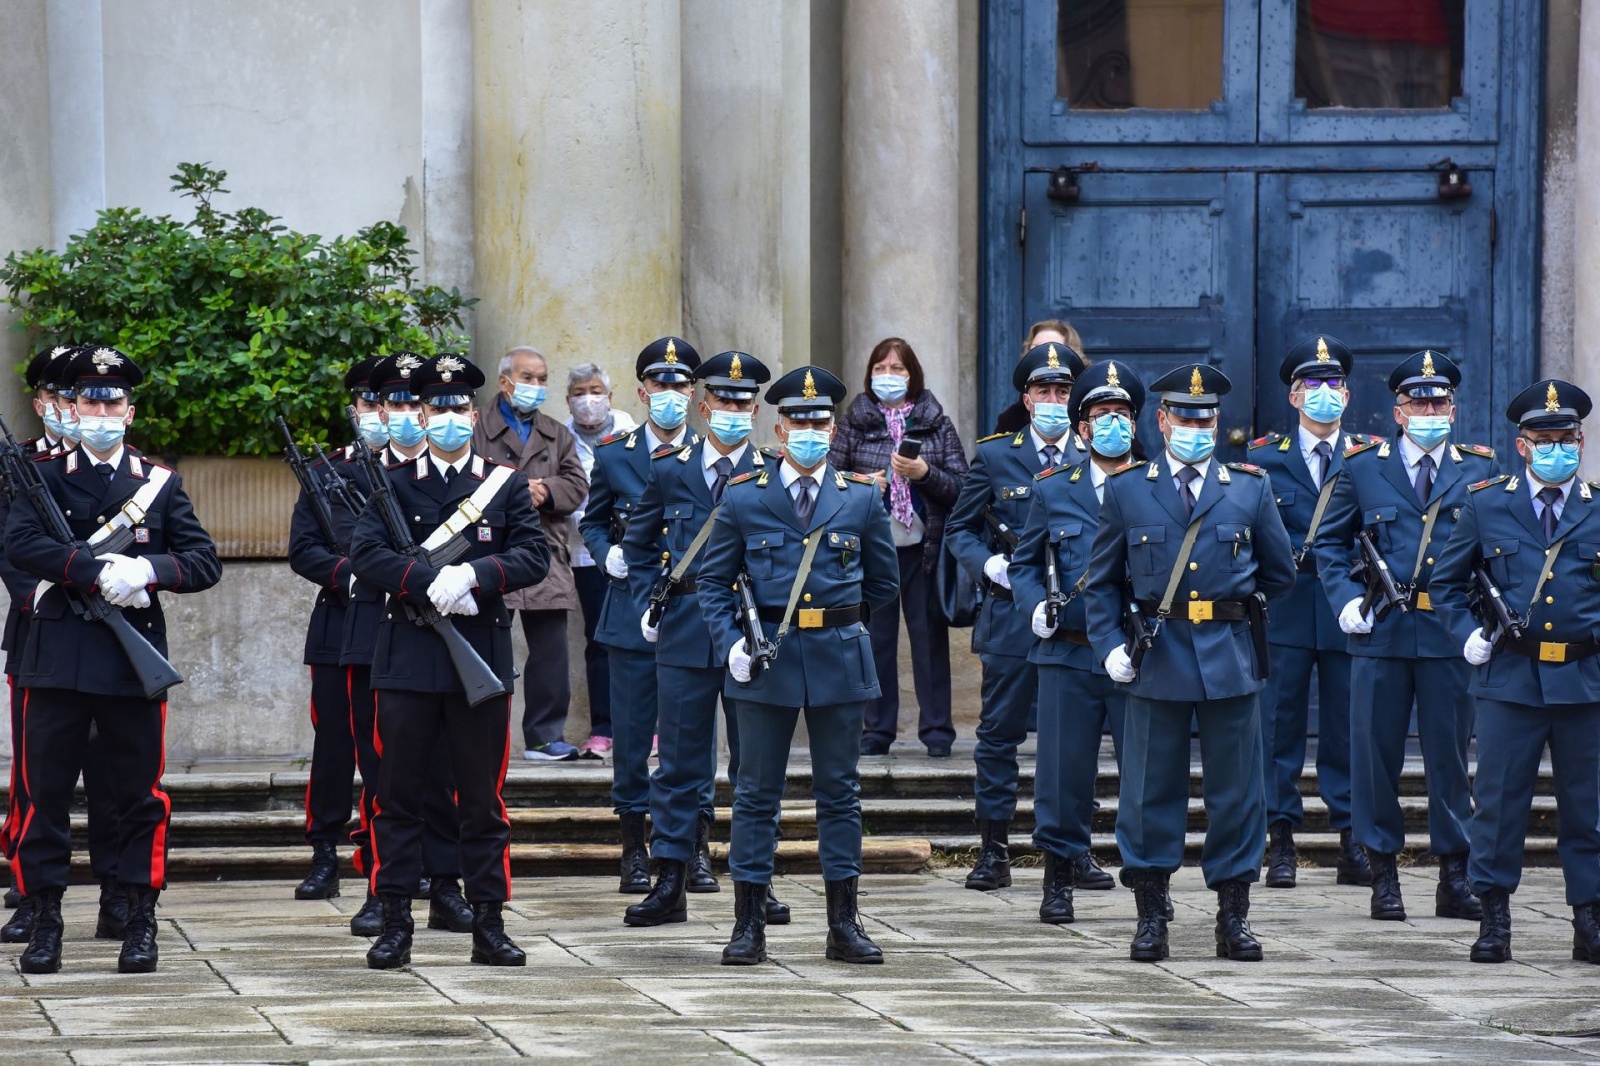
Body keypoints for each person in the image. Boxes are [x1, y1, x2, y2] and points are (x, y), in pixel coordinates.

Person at [6, 345, 222, 974]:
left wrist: (147, 570)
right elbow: (19, 543)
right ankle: (45, 920)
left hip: (132, 662)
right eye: (89, 400)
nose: (101, 410)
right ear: (71, 407)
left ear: (130, 411)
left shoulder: (158, 483)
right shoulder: (40, 475)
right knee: (44, 796)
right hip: (58, 655)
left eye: (112, 401)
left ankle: (138, 917)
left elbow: (203, 561)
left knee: (137, 796)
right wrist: (92, 569)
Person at [1084, 364, 1296, 963]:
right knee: (1149, 792)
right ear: (1163, 420)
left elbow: (1279, 572)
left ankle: (1234, 916)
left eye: (1206, 419)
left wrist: (1234, 607)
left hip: (1229, 656)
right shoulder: (1128, 490)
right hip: (1157, 655)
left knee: (1237, 793)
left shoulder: (1248, 488)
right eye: (1185, 417)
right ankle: (1151, 915)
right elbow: (1101, 583)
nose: (1197, 428)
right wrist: (1110, 646)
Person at [351, 353, 550, 970]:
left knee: (482, 801)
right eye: (436, 408)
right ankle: (394, 922)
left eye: (459, 408)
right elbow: (365, 555)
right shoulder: (392, 482)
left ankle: (488, 921)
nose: (447, 418)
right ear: (418, 412)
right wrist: (420, 580)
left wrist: (475, 574)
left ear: (473, 413)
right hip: (408, 659)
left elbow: (533, 557)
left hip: (479, 662)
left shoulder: (504, 483)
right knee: (398, 798)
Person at [697, 366, 899, 966]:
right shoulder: (744, 496)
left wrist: (836, 616)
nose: (810, 431)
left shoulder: (860, 498)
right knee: (757, 793)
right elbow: (713, 581)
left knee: (841, 793)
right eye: (799, 422)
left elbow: (883, 582)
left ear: (832, 429)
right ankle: (748, 923)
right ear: (778, 427)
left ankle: (844, 923)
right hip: (767, 660)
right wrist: (730, 640)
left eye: (820, 422)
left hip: (838, 657)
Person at [1314, 350, 1493, 925]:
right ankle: (1383, 872)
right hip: (1382, 632)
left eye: (1439, 401)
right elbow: (1330, 545)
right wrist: (1344, 603)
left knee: (1449, 757)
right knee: (1374, 756)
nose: (1430, 410)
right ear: (1398, 410)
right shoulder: (1364, 467)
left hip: (1448, 636)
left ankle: (1454, 874)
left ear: (1454, 408)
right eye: (1419, 402)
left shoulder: (1478, 470)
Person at [1430, 379, 1600, 964]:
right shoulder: (1486, 504)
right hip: (1510, 678)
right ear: (1522, 445)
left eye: (1568, 439)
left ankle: (1589, 918)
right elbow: (1446, 585)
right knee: (1500, 804)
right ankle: (1495, 917)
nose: (1559, 449)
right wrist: (1467, 634)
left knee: (1589, 806)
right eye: (1545, 440)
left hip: (1586, 681)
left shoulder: (1599, 507)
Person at [624, 351, 789, 927]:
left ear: (757, 410)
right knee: (677, 763)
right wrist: (654, 598)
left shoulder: (772, 469)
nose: (734, 411)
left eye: (746, 403)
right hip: (689, 626)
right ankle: (670, 877)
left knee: (755, 765)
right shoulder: (672, 466)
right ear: (704, 403)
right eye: (725, 401)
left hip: (750, 631)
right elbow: (640, 541)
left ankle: (756, 880)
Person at [340, 352, 472, 938]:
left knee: (446, 774)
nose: (402, 413)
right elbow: (347, 551)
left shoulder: (470, 480)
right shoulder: (358, 472)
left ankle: (447, 885)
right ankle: (381, 888)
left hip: (448, 636)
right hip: (378, 634)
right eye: (390, 402)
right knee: (385, 774)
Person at [945, 341, 1085, 892]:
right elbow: (959, 529)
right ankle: (994, 848)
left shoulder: (1098, 451)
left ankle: (1071, 850)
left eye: (1063, 391)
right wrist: (992, 566)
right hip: (1009, 618)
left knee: (1070, 739)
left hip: (1076, 622)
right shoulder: (998, 456)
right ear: (1026, 399)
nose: (1053, 399)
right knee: (1000, 735)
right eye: (1044, 390)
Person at [1010, 358, 1143, 924]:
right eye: (1101, 414)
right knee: (1062, 772)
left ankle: (1147, 880)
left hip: (1137, 655)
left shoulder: (1153, 485)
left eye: (1122, 413)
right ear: (1081, 428)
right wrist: (1033, 603)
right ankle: (1058, 875)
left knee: (1144, 771)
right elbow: (1024, 563)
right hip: (1068, 648)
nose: (1112, 423)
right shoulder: (1053, 489)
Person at [2, 345, 126, 946]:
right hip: (43, 634)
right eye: (58, 396)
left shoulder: (138, 478)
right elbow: (13, 552)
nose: (73, 409)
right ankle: (32, 899)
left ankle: (118, 894)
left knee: (113, 780)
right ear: (45, 402)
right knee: (38, 780)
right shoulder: (20, 467)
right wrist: (51, 596)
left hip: (116, 642)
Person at [1246, 336, 1371, 889]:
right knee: (1279, 727)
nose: (1326, 395)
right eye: (1313, 386)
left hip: (1350, 607)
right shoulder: (1262, 458)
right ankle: (1281, 839)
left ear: (1347, 395)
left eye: (1335, 385)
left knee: (1350, 728)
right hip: (1288, 607)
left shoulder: (1369, 456)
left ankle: (1354, 838)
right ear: (1294, 398)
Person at [580, 337, 700, 894]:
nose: (668, 394)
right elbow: (594, 520)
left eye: (679, 385)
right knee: (630, 737)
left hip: (694, 611)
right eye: (659, 384)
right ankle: (634, 849)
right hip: (631, 609)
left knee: (691, 736)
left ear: (693, 394)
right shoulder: (614, 453)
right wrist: (606, 552)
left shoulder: (710, 454)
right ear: (642, 391)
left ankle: (692, 848)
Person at [830, 338, 967, 757]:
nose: (888, 376)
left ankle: (938, 732)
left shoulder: (935, 422)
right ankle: (876, 731)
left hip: (924, 549)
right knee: (875, 641)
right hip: (873, 552)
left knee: (929, 643)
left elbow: (962, 489)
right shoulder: (854, 422)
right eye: (881, 368)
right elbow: (827, 483)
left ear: (913, 376)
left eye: (898, 369)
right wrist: (863, 483)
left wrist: (924, 473)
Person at [285, 357, 384, 903]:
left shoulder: (406, 472)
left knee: (389, 749)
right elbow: (303, 550)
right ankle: (324, 851)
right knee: (334, 747)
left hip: (394, 628)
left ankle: (383, 850)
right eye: (367, 403)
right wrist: (351, 576)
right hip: (340, 625)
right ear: (354, 409)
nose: (375, 413)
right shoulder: (326, 472)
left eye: (384, 403)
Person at [473, 346, 589, 762]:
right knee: (486, 645)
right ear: (505, 382)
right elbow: (462, 477)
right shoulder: (476, 425)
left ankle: (544, 737)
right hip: (490, 549)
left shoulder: (557, 432)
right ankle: (484, 734)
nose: (536, 386)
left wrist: (545, 491)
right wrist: (513, 491)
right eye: (528, 378)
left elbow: (577, 486)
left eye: (542, 379)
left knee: (551, 650)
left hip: (544, 552)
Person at [563, 363, 638, 758]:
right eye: (579, 391)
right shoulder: (561, 438)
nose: (588, 399)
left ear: (610, 396)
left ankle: (651, 729)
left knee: (647, 638)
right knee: (600, 639)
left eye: (595, 390)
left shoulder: (632, 434)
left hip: (637, 554)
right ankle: (604, 728)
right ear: (568, 399)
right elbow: (571, 498)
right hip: (588, 555)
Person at [994, 320, 1087, 444]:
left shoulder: (1088, 416)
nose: (1044, 354)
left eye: (1053, 348)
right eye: (1036, 348)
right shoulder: (1011, 420)